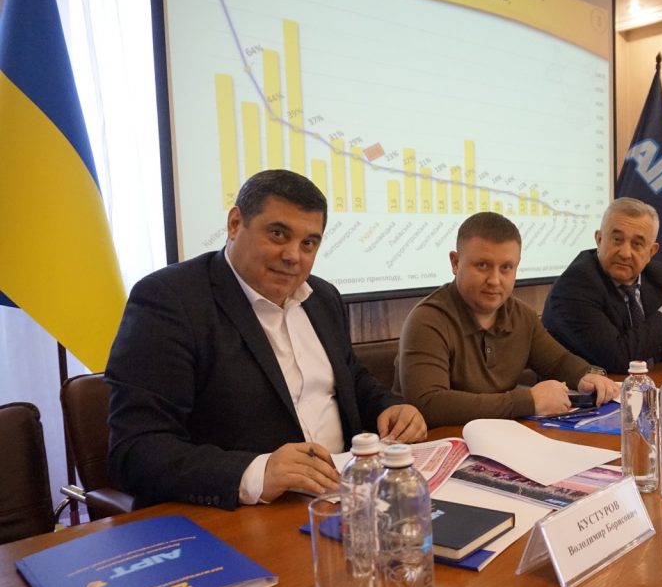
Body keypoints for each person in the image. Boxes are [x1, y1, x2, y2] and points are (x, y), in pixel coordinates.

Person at [107, 170, 427, 510]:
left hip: (345, 496)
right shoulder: (170, 300)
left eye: (308, 243)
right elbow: (136, 449)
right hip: (248, 513)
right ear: (234, 224)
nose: (293, 256)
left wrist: (389, 406)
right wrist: (257, 472)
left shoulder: (322, 297)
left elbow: (351, 377)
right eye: (278, 234)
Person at [395, 212, 619, 427]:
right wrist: (527, 401)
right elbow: (429, 404)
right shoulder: (427, 320)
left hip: (499, 437)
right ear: (455, 262)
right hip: (436, 443)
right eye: (482, 265)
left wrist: (587, 375)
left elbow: (557, 361)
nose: (495, 280)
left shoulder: (522, 315)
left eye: (506, 268)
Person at [541, 197, 662, 374]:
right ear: (599, 239)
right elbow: (619, 358)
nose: (625, 253)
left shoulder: (657, 276)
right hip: (582, 390)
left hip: (648, 385)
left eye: (637, 244)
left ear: (651, 251)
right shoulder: (574, 285)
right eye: (616, 239)